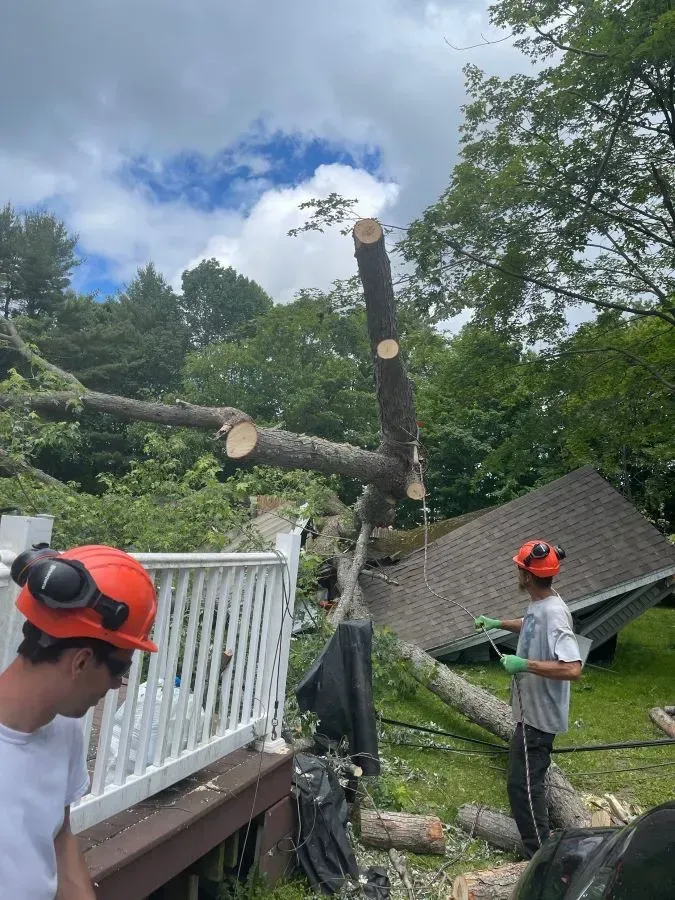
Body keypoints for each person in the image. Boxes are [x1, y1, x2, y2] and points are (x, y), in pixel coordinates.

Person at [0, 543, 158, 899]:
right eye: (121, 668)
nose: (119, 684)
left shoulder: (65, 729)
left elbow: (59, 834)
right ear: (82, 662)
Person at [475, 540, 581, 858]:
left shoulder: (556, 613)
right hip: (529, 712)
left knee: (522, 786)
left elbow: (573, 668)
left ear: (527, 576)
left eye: (519, 569)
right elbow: (530, 625)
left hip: (540, 717)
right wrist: (497, 623)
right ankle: (539, 844)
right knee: (528, 780)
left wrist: (526, 665)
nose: (517, 573)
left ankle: (539, 856)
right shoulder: (541, 603)